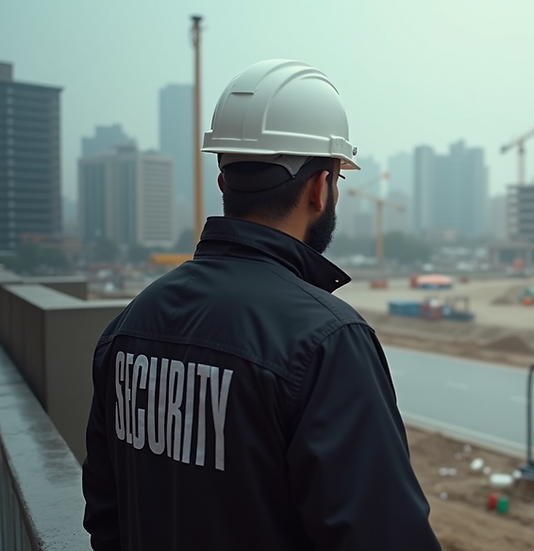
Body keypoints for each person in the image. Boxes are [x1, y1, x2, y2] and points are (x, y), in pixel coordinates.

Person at [82, 59, 442, 551]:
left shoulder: (129, 325)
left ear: (224, 181)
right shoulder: (327, 341)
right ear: (321, 188)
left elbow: (106, 517)